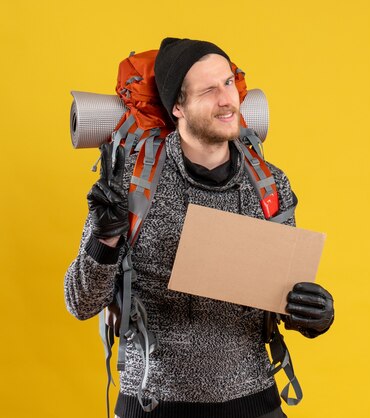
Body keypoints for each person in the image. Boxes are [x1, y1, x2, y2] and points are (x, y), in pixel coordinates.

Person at [64, 37, 335, 418]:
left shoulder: (269, 185)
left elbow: (279, 293)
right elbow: (80, 303)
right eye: (209, 90)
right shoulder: (130, 183)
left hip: (254, 399)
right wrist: (105, 238)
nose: (227, 99)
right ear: (178, 105)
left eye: (228, 83)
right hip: (154, 403)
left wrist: (312, 313)